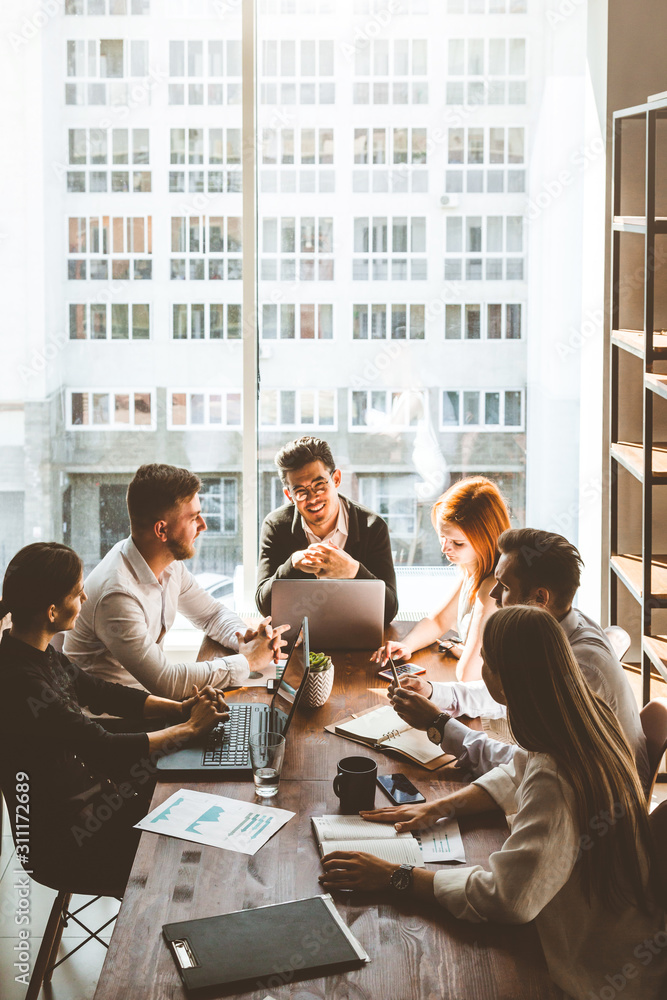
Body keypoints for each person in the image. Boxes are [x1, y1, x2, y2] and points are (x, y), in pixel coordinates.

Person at [319, 606, 667, 1000]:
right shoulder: (584, 716)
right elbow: (518, 770)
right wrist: (439, 807)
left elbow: (509, 899)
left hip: (596, 966)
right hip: (624, 923)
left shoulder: (556, 776)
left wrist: (396, 876)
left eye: (485, 661)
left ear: (504, 681)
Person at [0, 543, 228, 893]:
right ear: (50, 611)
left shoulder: (38, 653)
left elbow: (103, 693)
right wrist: (190, 728)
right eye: (78, 593)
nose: (85, 599)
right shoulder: (21, 681)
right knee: (194, 847)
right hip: (64, 843)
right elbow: (103, 748)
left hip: (92, 803)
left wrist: (179, 709)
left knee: (196, 802)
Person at [386, 528, 650, 790]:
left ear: (540, 598)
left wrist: (438, 726)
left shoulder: (580, 668)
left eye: (504, 586)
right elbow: (516, 691)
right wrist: (435, 693)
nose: (493, 595)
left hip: (597, 804)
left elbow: (525, 769)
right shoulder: (562, 622)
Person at [64, 464, 287, 701]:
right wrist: (248, 660)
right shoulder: (117, 595)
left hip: (147, 704)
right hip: (113, 723)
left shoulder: (169, 564)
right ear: (162, 530)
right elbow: (166, 682)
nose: (203, 525)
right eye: (193, 518)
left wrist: (248, 638)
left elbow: (211, 614)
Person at [372, 476, 510, 682]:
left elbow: (468, 674)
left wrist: (464, 652)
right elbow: (439, 620)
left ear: (486, 539)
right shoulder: (473, 571)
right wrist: (407, 645)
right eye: (442, 536)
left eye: (457, 543)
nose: (445, 549)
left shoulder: (492, 587)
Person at [255, 436, 398, 624]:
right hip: (299, 637)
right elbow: (264, 606)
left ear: (336, 479)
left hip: (356, 633)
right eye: (301, 492)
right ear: (289, 495)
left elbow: (389, 611)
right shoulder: (276, 526)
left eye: (320, 485)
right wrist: (292, 565)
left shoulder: (372, 527)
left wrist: (353, 570)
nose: (313, 498)